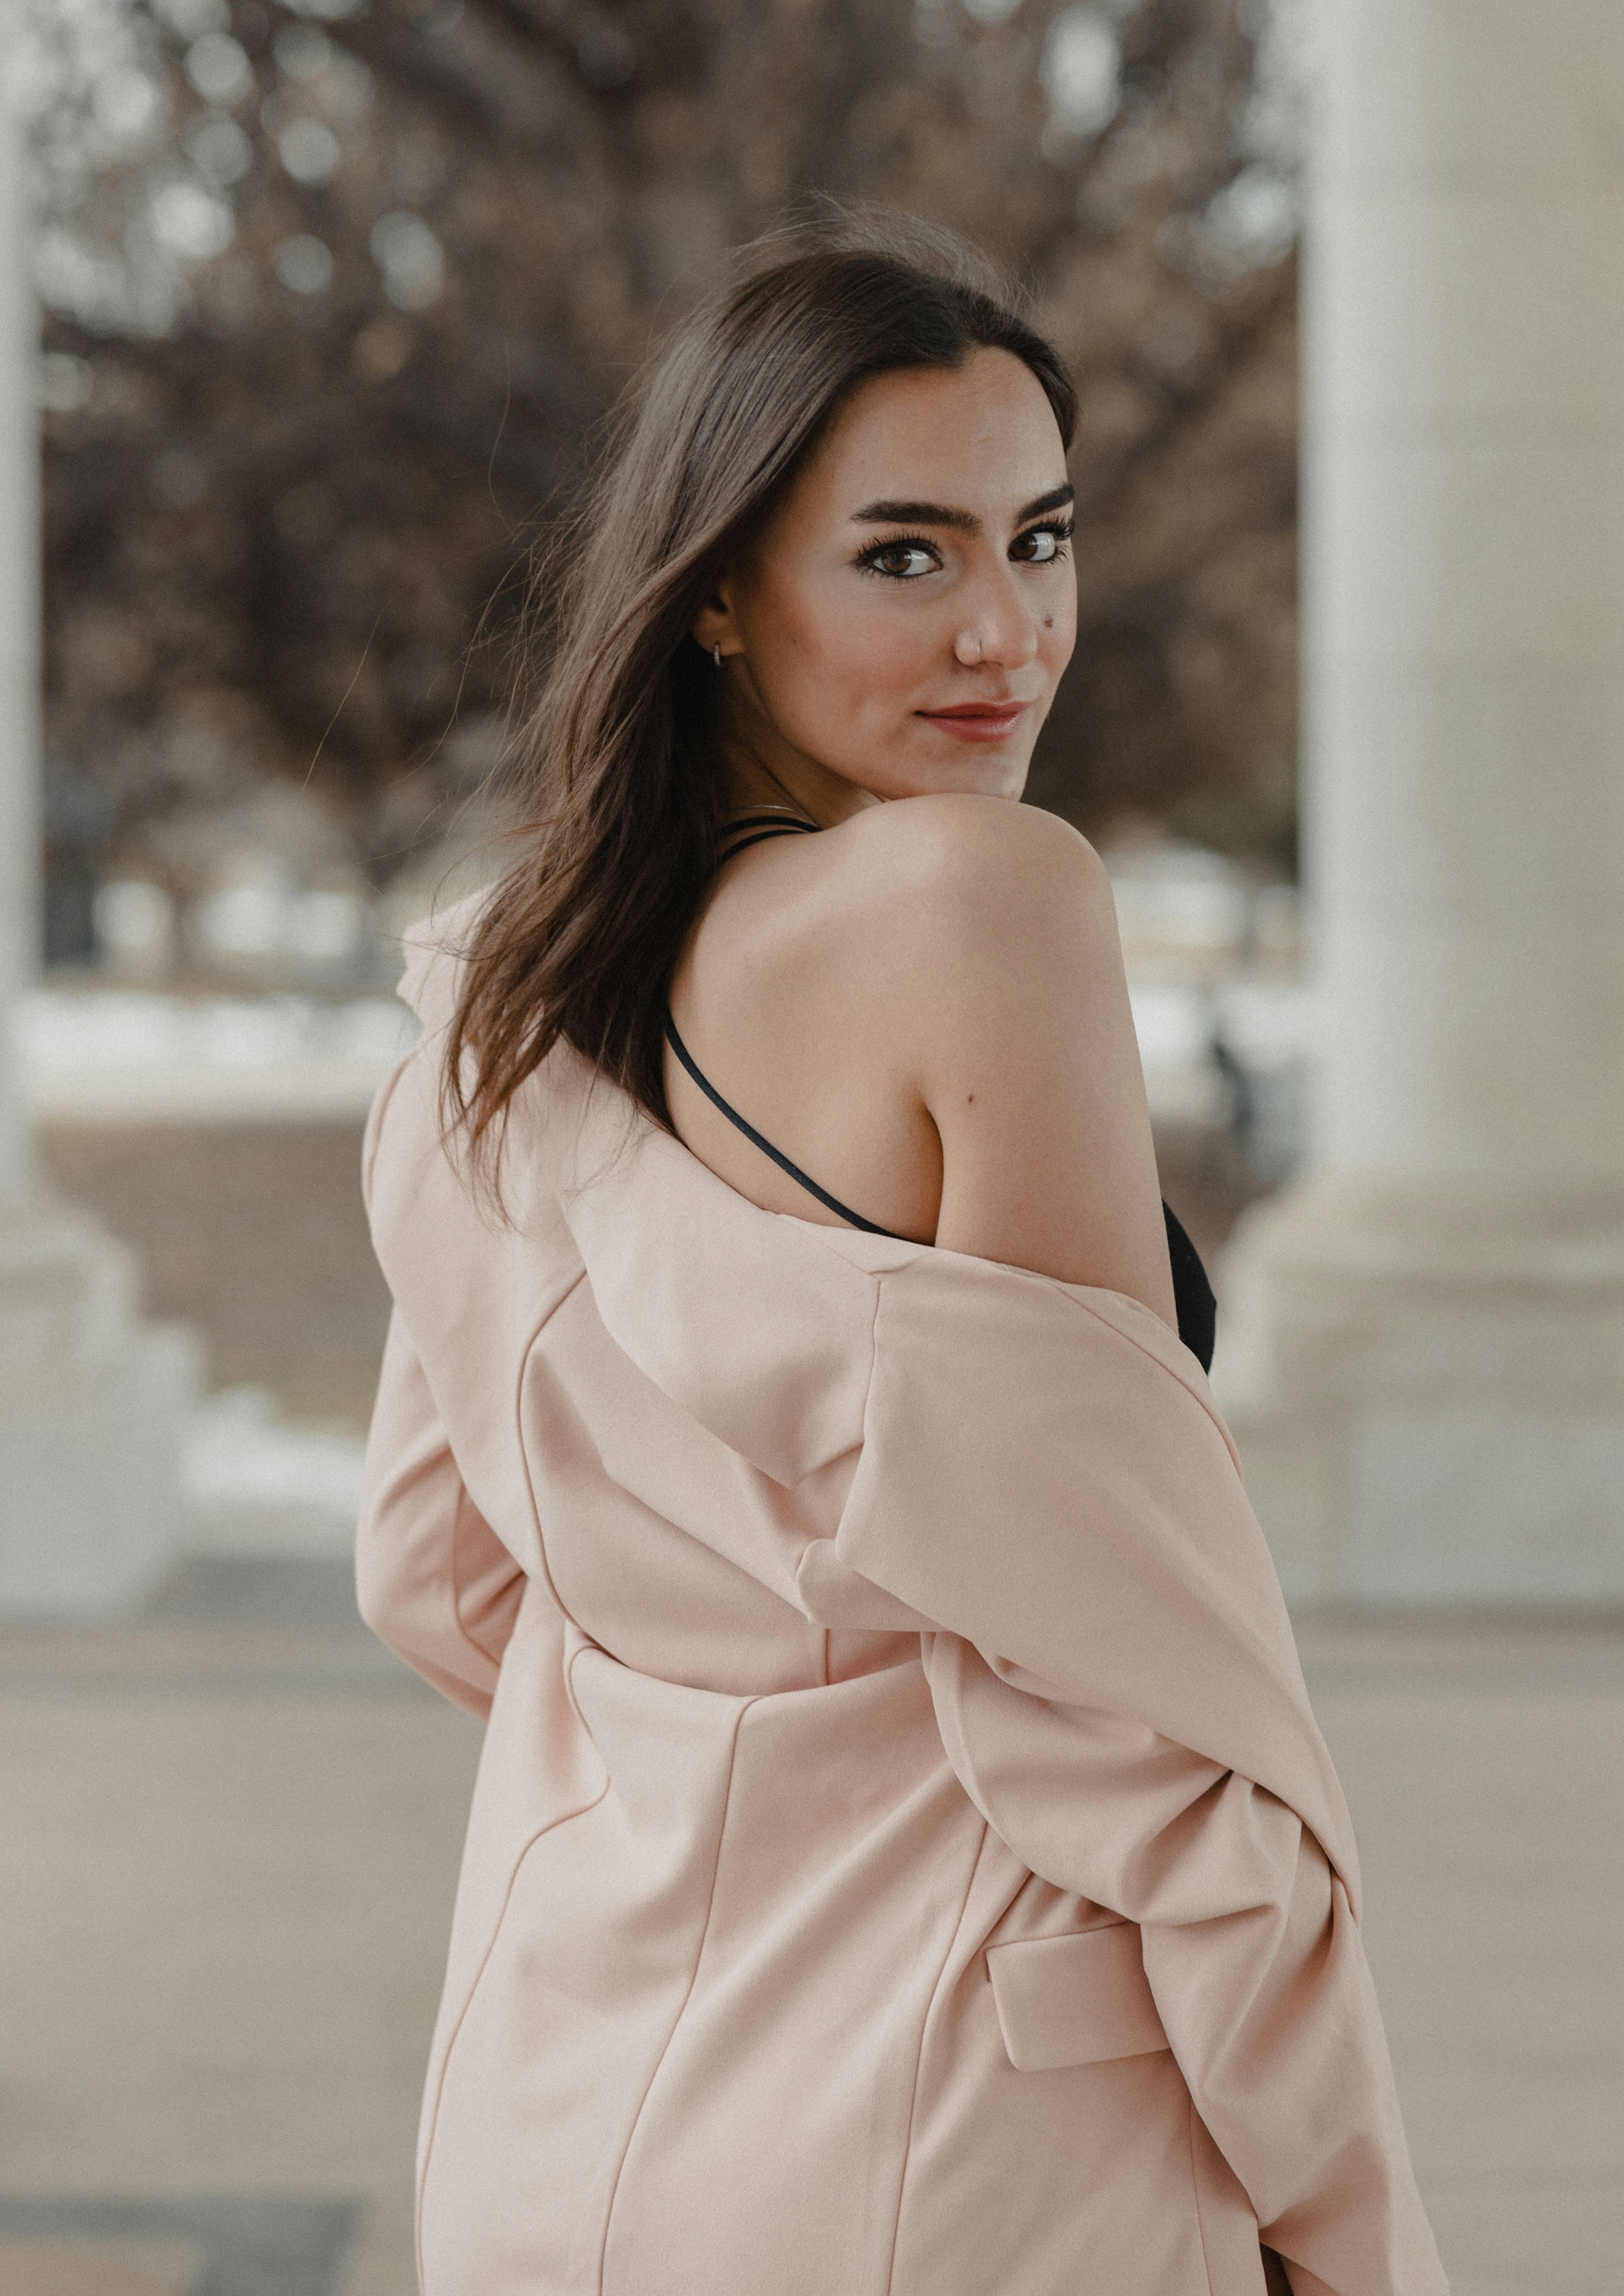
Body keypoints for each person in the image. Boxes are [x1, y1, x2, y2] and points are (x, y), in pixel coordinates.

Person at [356, 218, 1446, 2296]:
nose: (1008, 634)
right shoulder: (983, 904)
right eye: (905, 555)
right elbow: (1138, 1710)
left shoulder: (497, 1009)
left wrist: (738, 1754)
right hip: (962, 2145)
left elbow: (430, 1571)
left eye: (1041, 540)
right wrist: (1347, 2226)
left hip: (555, 2122)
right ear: (720, 601)